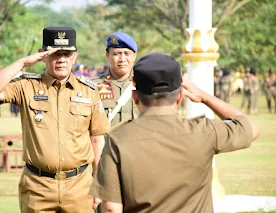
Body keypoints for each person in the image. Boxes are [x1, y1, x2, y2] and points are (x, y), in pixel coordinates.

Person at [89, 53, 260, 213]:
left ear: (135, 97)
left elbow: (111, 208)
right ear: (180, 97)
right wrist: (204, 97)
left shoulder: (117, 139)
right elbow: (251, 128)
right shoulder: (204, 131)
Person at [0, 26, 110, 212]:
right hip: (37, 187)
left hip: (79, 186)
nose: (61, 60)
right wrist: (23, 63)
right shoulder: (27, 86)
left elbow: (97, 138)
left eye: (67, 54)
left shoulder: (89, 91)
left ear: (75, 56)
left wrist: (100, 182)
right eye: (54, 53)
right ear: (43, 54)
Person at [91, 32, 138, 126]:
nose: (122, 59)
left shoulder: (144, 84)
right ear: (107, 55)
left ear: (134, 56)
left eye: (127, 53)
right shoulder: (92, 87)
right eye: (116, 54)